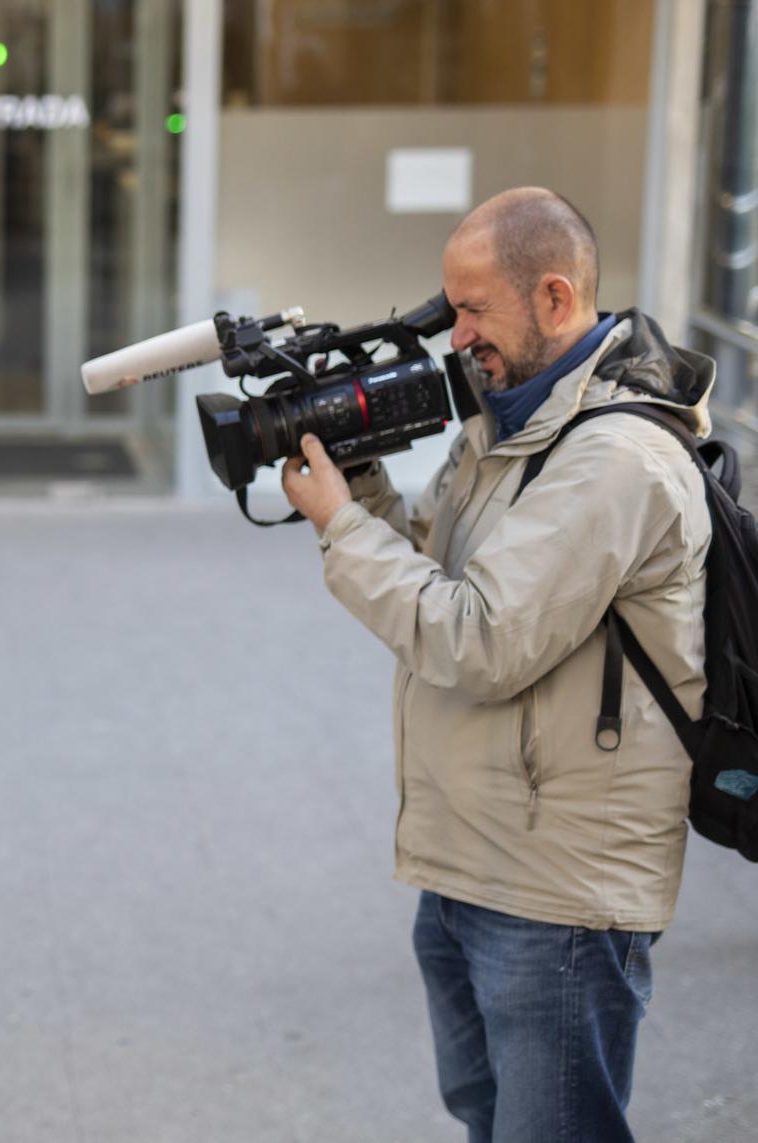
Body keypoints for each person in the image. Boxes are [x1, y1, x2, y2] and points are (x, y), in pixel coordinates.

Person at [280, 187, 713, 1142]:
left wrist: (339, 527)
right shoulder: (508, 431)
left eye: (472, 310)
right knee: (488, 1117)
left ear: (555, 298)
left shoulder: (616, 460)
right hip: (471, 861)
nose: (454, 335)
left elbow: (475, 639)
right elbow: (431, 574)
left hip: (556, 892)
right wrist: (357, 480)